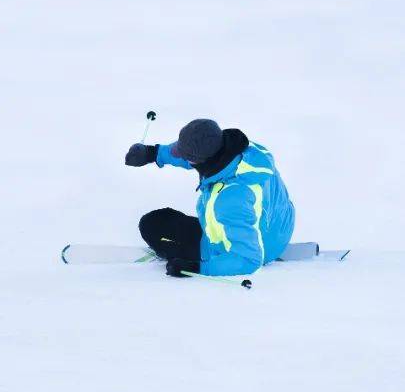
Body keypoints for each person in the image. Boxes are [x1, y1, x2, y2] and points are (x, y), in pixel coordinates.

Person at [125, 118, 295, 278]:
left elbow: (249, 260)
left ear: (199, 161)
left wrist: (197, 268)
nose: (180, 155)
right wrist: (153, 153)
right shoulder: (244, 152)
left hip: (253, 247)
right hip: (278, 226)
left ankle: (200, 255)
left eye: (185, 156)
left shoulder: (230, 199)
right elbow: (192, 155)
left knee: (152, 225)